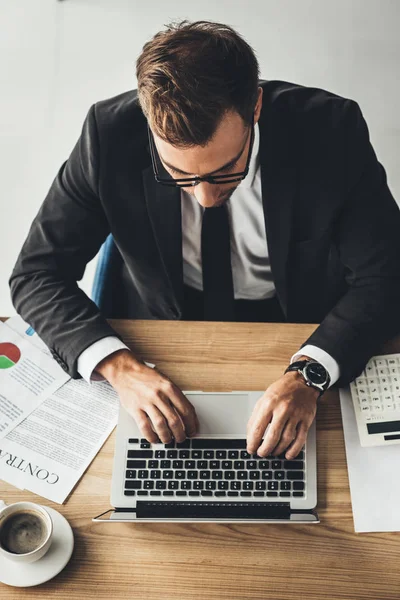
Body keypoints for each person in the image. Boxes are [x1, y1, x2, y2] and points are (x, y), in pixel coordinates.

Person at [9, 20, 400, 461]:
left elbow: (385, 277)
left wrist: (309, 375)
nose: (205, 197)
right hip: (164, 329)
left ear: (254, 105)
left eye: (225, 171)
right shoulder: (107, 136)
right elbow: (36, 274)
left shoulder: (331, 130)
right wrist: (118, 367)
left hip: (300, 323)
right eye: (177, 174)